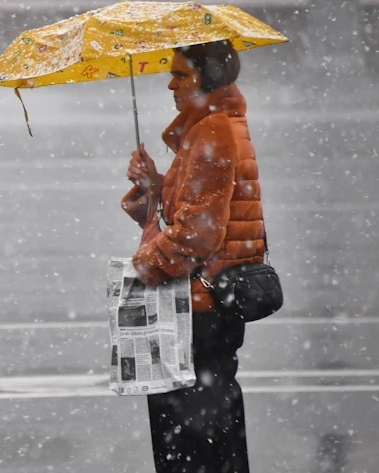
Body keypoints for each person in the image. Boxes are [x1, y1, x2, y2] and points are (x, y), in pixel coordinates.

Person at [121, 40, 266, 473]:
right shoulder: (211, 126)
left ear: (210, 78)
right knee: (211, 431)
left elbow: (199, 233)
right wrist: (155, 183)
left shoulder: (212, 129)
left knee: (189, 440)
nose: (171, 84)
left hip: (197, 309)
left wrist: (143, 268)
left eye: (182, 75)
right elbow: (197, 209)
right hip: (208, 303)